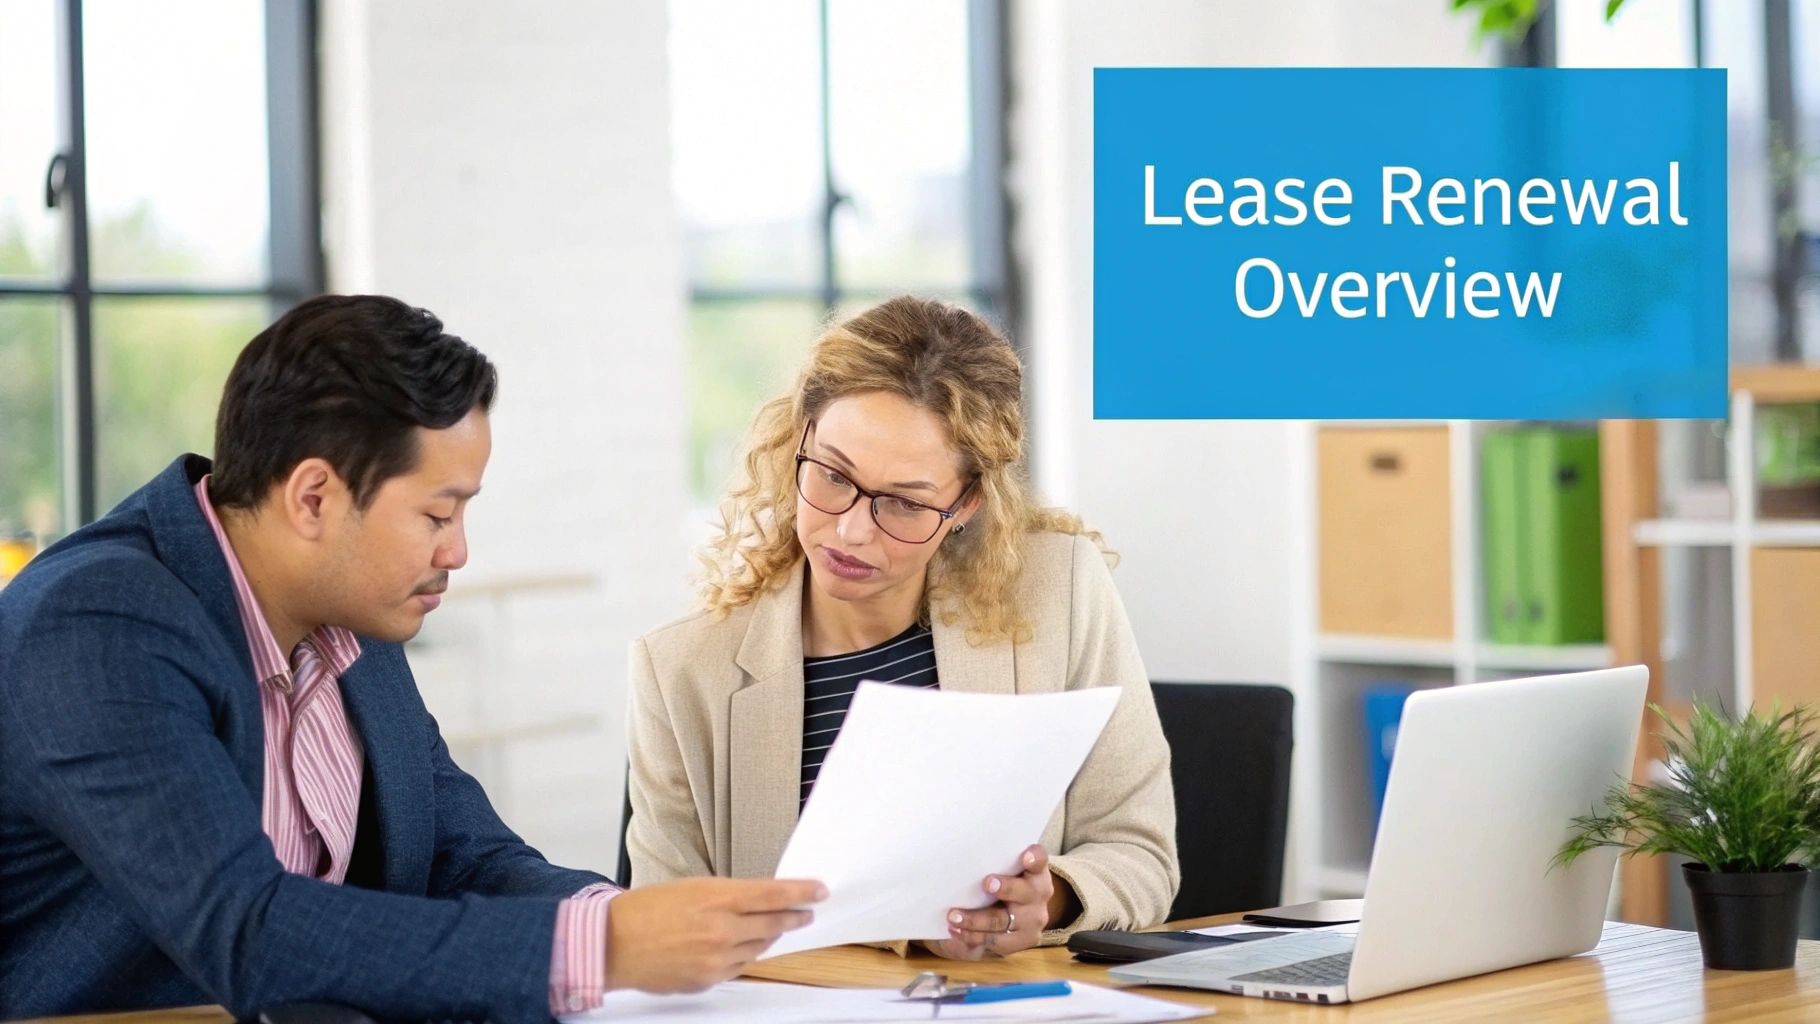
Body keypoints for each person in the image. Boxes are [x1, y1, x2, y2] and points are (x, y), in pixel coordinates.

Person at [0, 295, 824, 1022]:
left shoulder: (347, 611)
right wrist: (598, 946)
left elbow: (463, 853)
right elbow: (247, 929)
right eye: (438, 514)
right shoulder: (98, 624)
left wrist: (634, 918)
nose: (458, 551)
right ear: (315, 497)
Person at [626, 296, 1178, 959]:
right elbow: (658, 934)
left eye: (904, 504)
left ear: (967, 502)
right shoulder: (681, 671)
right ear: (798, 440)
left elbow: (1141, 853)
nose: (852, 530)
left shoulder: (1057, 590)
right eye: (833, 475)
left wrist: (1047, 898)